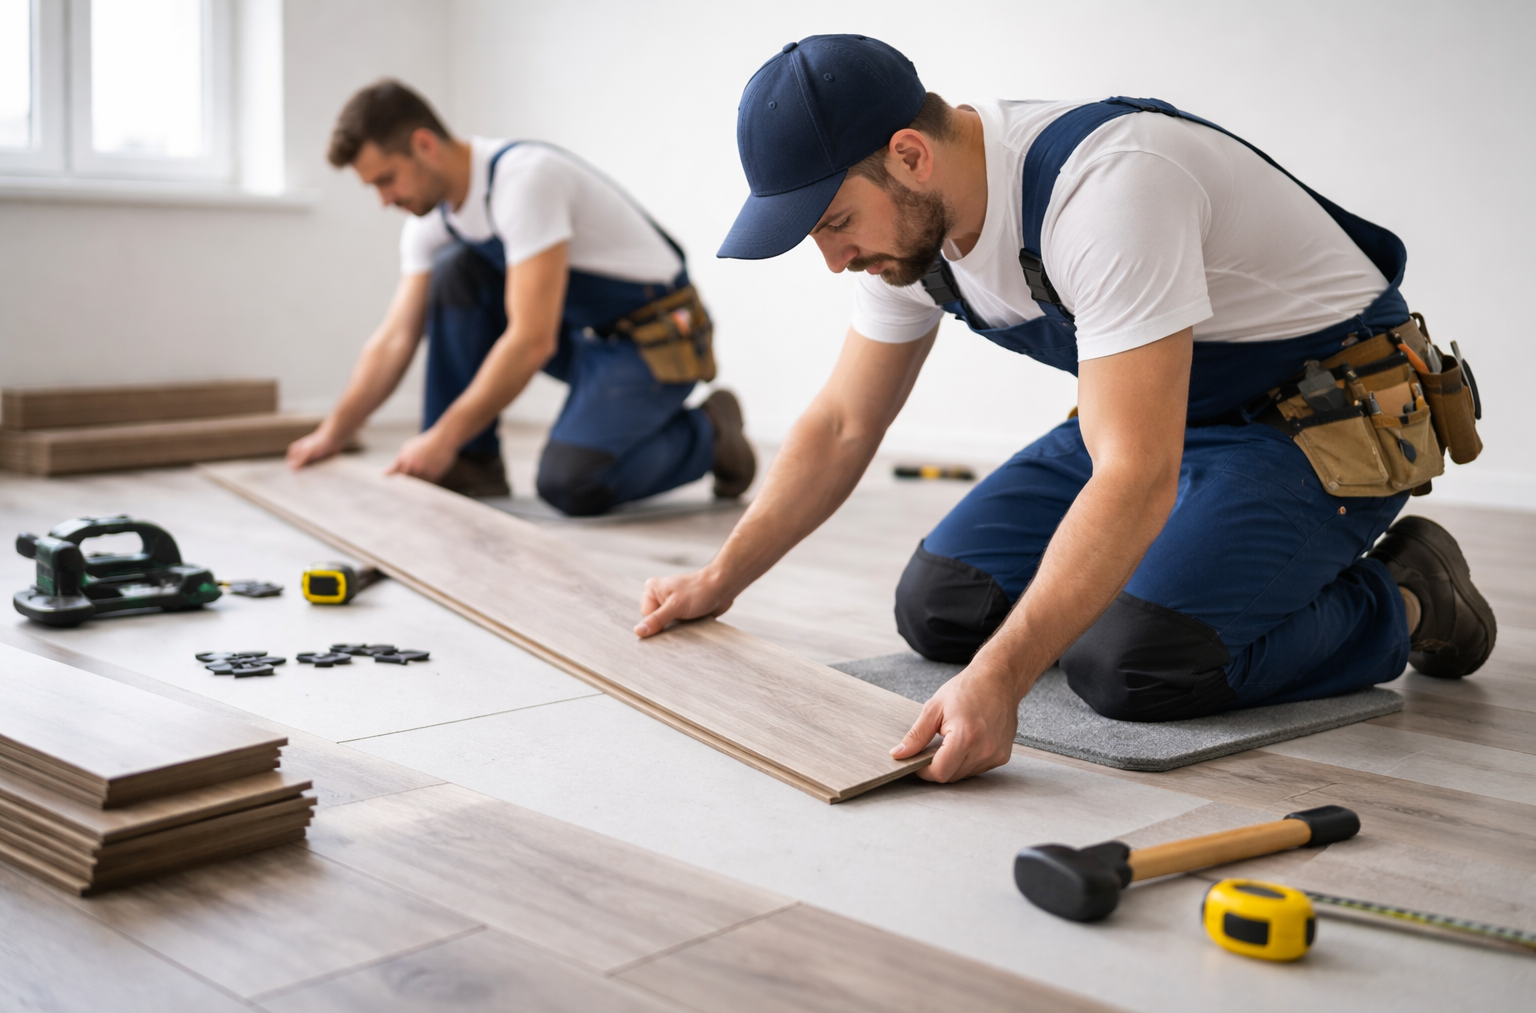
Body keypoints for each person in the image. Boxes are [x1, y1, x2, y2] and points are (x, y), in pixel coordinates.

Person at [633, 35, 1496, 783]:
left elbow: (1134, 473)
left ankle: (1408, 592)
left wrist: (1002, 683)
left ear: (909, 154)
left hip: (1318, 419)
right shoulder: (910, 242)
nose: (833, 260)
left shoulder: (1107, 185)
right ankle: (1187, 572)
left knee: (1134, 666)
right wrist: (722, 578)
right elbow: (843, 423)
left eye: (834, 223)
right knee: (942, 606)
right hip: (1158, 412)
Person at [287, 80, 755, 514]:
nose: (384, 199)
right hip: (583, 336)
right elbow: (395, 338)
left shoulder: (523, 182)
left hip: (655, 341)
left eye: (386, 179)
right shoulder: (431, 221)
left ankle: (710, 433)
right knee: (456, 271)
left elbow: (532, 340)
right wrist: (333, 434)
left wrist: (441, 437)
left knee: (571, 484)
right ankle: (472, 464)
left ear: (424, 145)